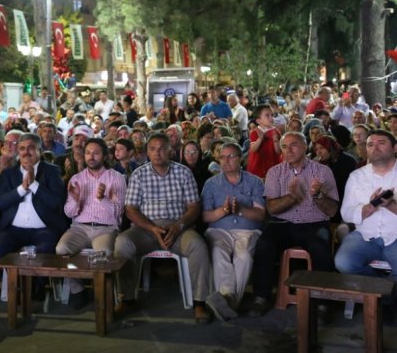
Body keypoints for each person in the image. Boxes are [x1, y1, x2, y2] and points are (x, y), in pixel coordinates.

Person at [114, 133, 212, 324]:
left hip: (178, 227)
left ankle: (200, 302)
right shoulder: (139, 174)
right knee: (122, 243)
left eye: (161, 148)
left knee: (198, 246)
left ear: (170, 150)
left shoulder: (183, 172)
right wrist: (152, 228)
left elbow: (194, 206)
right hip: (146, 228)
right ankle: (127, 299)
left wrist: (179, 225)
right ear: (147, 152)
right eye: (152, 149)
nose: (157, 153)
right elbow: (131, 209)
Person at [247, 132, 339, 317]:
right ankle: (261, 297)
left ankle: (323, 302)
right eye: (284, 146)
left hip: (314, 223)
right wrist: (292, 198)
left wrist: (318, 196)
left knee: (320, 247)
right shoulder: (275, 172)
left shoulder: (322, 171)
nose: (288, 150)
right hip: (283, 223)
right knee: (264, 245)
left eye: (294, 145)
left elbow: (332, 211)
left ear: (305, 147)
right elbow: (271, 209)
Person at [56, 138, 126, 309]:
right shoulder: (76, 179)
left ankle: (102, 291)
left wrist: (102, 199)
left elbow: (118, 213)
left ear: (104, 156)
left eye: (96, 153)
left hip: (106, 228)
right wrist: (75, 199)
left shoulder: (116, 178)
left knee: (105, 252)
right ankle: (78, 289)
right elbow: (69, 213)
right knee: (61, 250)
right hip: (80, 227)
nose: (91, 156)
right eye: (88, 153)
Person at [0, 133, 67, 298]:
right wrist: (21, 189)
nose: (26, 152)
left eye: (31, 148)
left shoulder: (52, 171)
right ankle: (18, 283)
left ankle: (37, 284)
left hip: (44, 228)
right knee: (1, 246)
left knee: (46, 248)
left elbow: (56, 202)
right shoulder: (9, 174)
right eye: (22, 148)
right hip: (14, 229)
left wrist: (34, 184)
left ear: (40, 150)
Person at [201, 142, 265, 321]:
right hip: (219, 230)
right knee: (219, 252)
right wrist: (223, 211)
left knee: (243, 256)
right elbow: (205, 216)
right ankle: (230, 300)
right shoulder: (211, 184)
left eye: (230, 156)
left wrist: (240, 210)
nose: (226, 161)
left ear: (241, 159)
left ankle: (226, 301)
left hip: (247, 231)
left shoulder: (255, 181)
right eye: (222, 157)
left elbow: (260, 214)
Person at [335, 130, 397, 279]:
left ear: (395, 148)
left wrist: (391, 205)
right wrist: (368, 208)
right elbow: (346, 213)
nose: (375, 148)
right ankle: (380, 288)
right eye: (370, 144)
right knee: (344, 263)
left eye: (381, 143)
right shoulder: (357, 176)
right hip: (365, 235)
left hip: (395, 236)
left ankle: (386, 296)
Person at [247, 104, 282, 179]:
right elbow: (253, 149)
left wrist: (276, 141)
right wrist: (260, 139)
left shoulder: (276, 131)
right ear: (258, 120)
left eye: (272, 115)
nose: (271, 118)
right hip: (258, 165)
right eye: (267, 115)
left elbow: (278, 151)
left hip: (272, 163)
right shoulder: (255, 132)